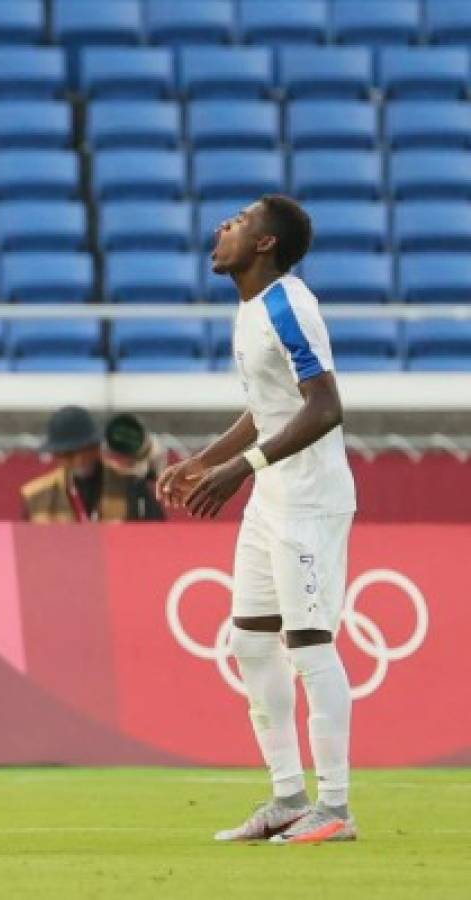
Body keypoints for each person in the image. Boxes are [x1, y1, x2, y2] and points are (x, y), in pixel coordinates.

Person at [157, 195, 357, 844]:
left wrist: (237, 469)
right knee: (248, 639)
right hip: (270, 498)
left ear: (265, 245)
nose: (222, 227)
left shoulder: (288, 306)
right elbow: (267, 408)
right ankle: (285, 797)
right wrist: (202, 461)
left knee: (306, 645)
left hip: (307, 500)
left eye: (238, 223)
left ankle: (334, 808)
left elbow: (323, 407)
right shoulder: (248, 311)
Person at [21, 406, 164, 522]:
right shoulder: (36, 495)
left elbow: (155, 537)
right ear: (57, 455)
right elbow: (28, 549)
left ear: (97, 446)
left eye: (85, 449)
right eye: (68, 454)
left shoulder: (131, 484)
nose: (79, 460)